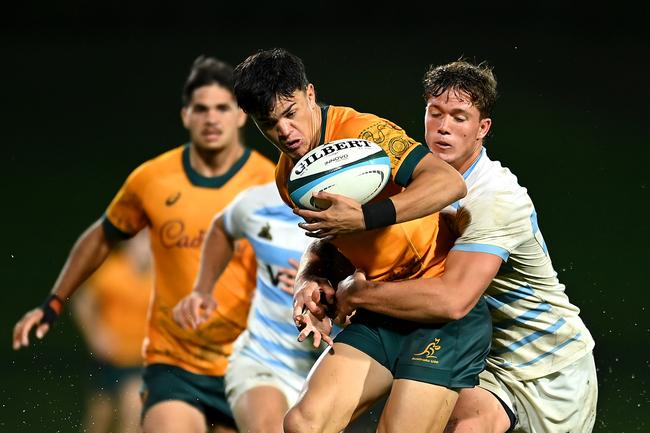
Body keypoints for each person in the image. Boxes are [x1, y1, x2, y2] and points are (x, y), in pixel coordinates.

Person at [330, 60, 598, 433]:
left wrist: (358, 295)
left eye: (459, 117)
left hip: (545, 369)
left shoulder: (495, 197)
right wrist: (312, 277)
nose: (443, 127)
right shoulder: (411, 179)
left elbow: (452, 299)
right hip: (478, 359)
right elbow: (348, 235)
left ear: (482, 128)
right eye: (435, 113)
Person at [11, 55, 276, 433]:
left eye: (222, 108)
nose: (211, 118)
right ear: (186, 116)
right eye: (201, 108)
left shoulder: (270, 184)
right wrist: (54, 302)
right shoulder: (152, 180)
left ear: (240, 116)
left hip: (248, 360)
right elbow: (102, 235)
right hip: (173, 363)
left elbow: (304, 253)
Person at [232, 48, 491, 433]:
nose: (285, 132)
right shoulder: (291, 179)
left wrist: (366, 216)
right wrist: (311, 279)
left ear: (310, 94)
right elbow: (333, 242)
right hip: (379, 309)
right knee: (303, 424)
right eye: (268, 123)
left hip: (435, 311)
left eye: (290, 113)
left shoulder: (361, 132)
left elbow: (447, 183)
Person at [72, 229, 152, 433]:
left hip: (140, 360)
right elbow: (83, 301)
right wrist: (96, 334)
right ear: (128, 243)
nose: (146, 247)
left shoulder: (163, 276)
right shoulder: (111, 270)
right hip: (109, 358)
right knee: (98, 420)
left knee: (133, 412)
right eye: (141, 241)